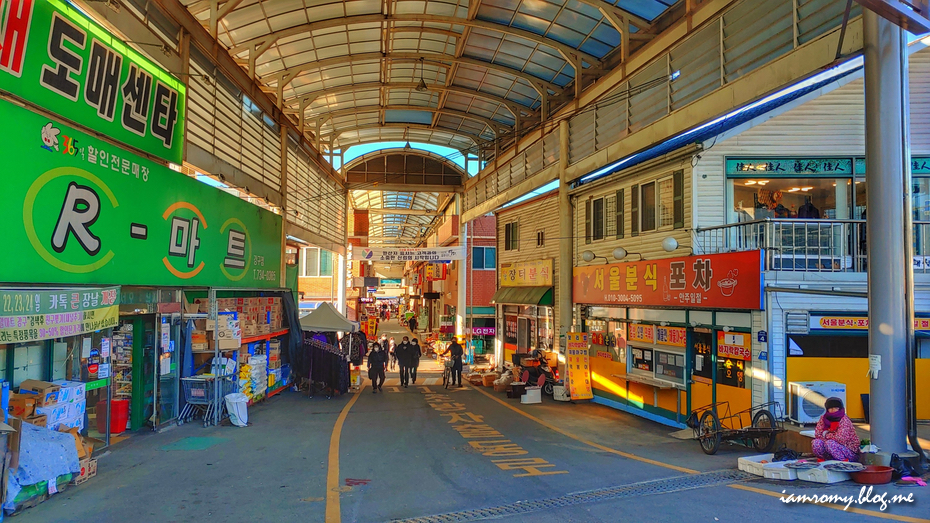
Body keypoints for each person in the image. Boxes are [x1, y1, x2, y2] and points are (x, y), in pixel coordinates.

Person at [812, 397, 859, 461]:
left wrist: (826, 434)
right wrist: (833, 435)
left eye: (836, 408)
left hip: (848, 450)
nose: (833, 410)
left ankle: (844, 461)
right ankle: (824, 460)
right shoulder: (823, 418)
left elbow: (841, 439)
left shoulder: (844, 420)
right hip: (829, 448)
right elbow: (818, 434)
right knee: (816, 443)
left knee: (830, 443)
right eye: (830, 408)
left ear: (840, 408)